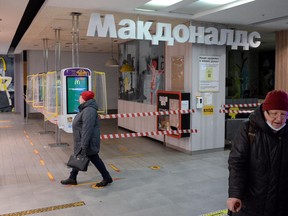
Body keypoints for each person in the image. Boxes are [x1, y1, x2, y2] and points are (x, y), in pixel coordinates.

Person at [227, 89, 288, 216]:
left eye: (283, 114)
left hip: (281, 204)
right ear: (264, 111)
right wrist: (235, 194)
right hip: (252, 203)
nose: (279, 119)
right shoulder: (248, 129)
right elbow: (237, 163)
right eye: (274, 113)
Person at [61, 90, 113, 187]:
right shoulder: (86, 109)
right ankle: (73, 177)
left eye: (80, 97)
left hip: (87, 140)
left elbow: (87, 128)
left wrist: (83, 144)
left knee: (93, 158)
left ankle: (107, 178)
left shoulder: (89, 110)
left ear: (84, 99)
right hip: (83, 140)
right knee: (81, 157)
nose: (78, 99)